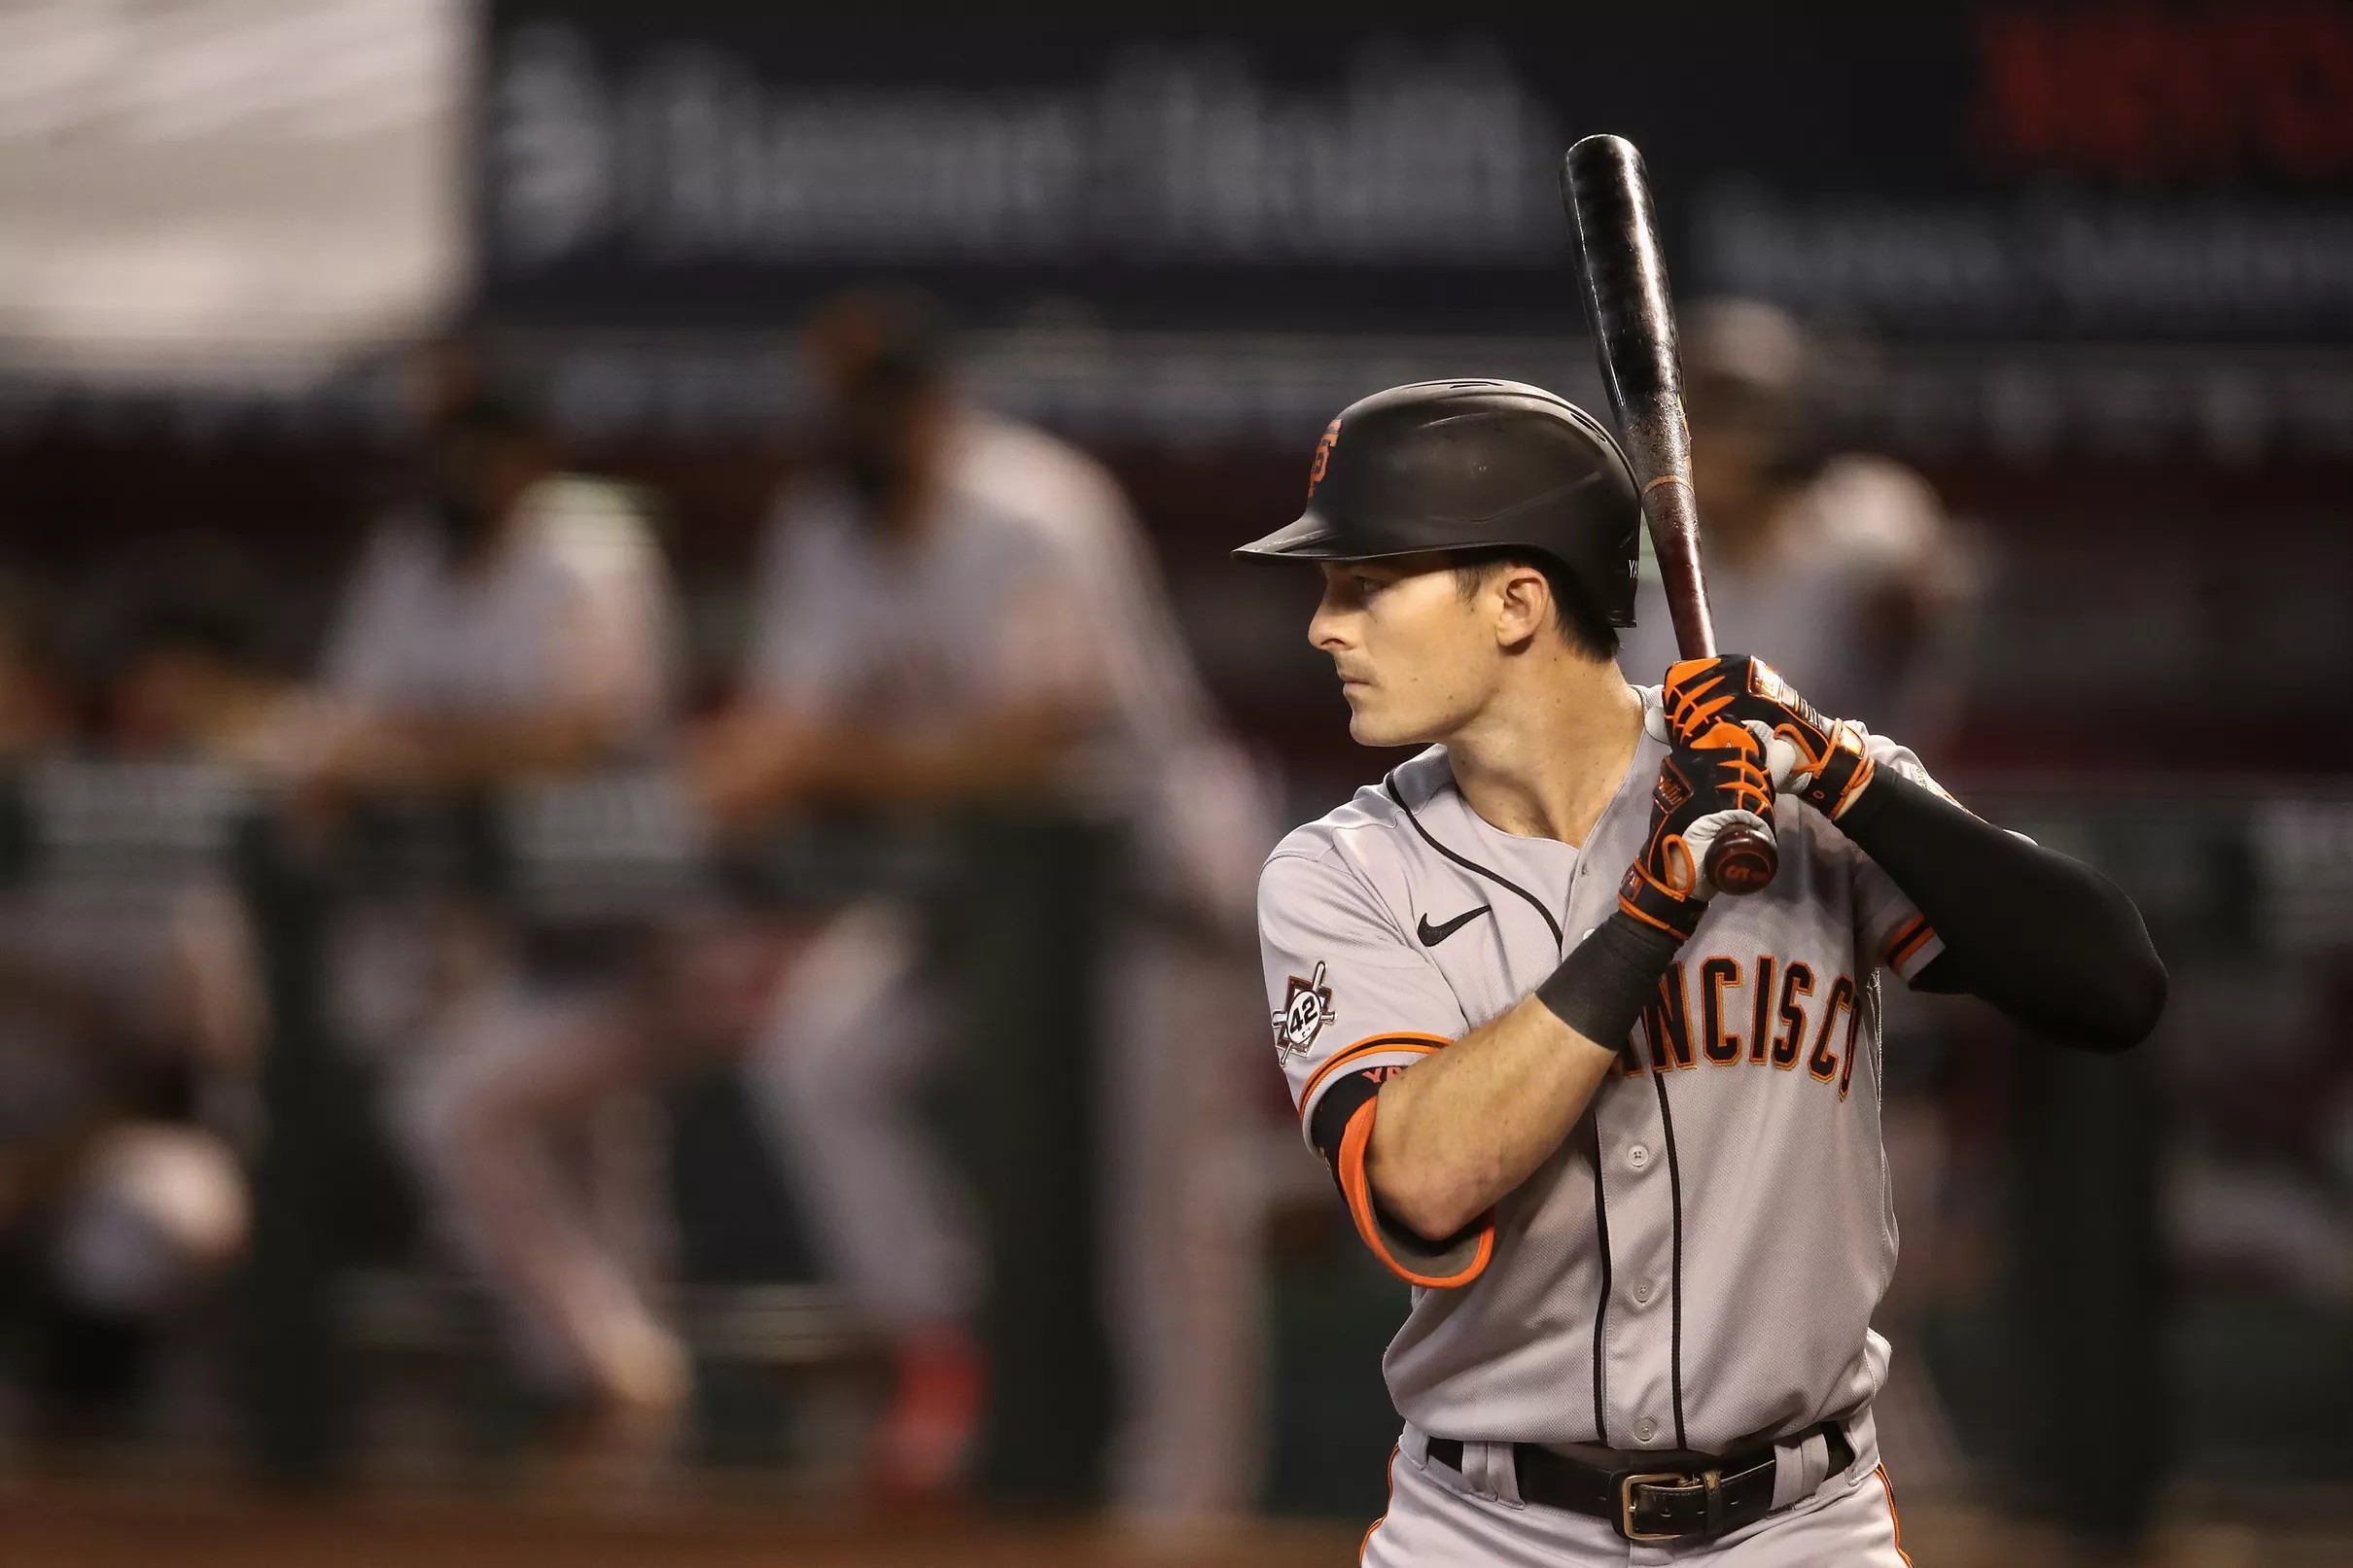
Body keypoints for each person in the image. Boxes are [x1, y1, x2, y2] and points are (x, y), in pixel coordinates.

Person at [1239, 379, 2165, 1563]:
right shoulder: (1340, 871)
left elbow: (2111, 984)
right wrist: (1654, 903)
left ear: (1515, 601)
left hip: (1798, 1529)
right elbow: (1421, 1179)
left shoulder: (1798, 788)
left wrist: (1839, 773)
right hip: (1489, 1531)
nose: (1324, 624)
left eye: (1364, 583)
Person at [692, 287, 1274, 1513]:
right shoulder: (824, 522)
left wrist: (828, 759)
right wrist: (759, 760)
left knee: (1159, 1232)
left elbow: (1034, 736)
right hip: (979, 901)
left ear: (932, 404)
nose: (853, 428)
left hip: (1142, 893)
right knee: (818, 1055)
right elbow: (777, 726)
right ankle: (948, 1323)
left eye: (879, 403)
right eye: (838, 405)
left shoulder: (1034, 504)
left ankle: (1183, 1515)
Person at [291, 384, 687, 1441]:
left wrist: (405, 751)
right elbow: (343, 723)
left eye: (478, 450)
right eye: (441, 448)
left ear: (528, 453)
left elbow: (573, 735)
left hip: (624, 917)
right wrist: (407, 749)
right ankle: (610, 1390)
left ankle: (616, 1374)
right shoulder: (407, 551)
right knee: (537, 1148)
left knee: (487, 1119)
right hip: (482, 922)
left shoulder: (591, 548)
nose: (456, 474)